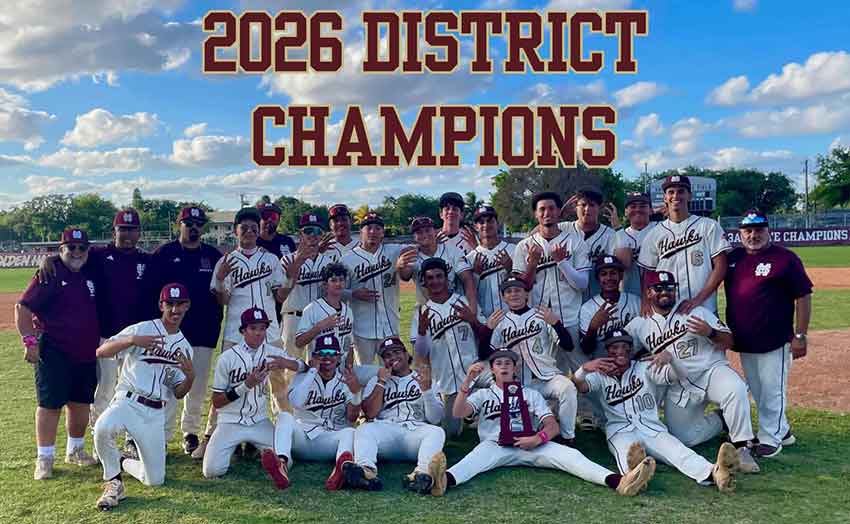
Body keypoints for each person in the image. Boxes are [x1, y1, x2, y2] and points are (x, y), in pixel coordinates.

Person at [443, 350, 655, 495]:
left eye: (508, 363)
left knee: (572, 457)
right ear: (493, 370)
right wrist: (467, 382)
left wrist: (538, 438)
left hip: (533, 445)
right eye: (499, 363)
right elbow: (458, 412)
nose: (504, 366)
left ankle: (620, 482)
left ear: (515, 368)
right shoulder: (484, 395)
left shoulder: (530, 394)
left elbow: (552, 426)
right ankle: (440, 481)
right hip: (494, 445)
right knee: (470, 463)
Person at [35, 209, 156, 454]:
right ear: (114, 231)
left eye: (132, 229)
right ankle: (103, 442)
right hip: (107, 336)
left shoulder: (146, 260)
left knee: (135, 392)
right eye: (123, 229)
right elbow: (71, 256)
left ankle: (131, 442)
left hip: (137, 340)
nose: (128, 234)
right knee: (105, 391)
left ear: (139, 233)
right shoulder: (99, 255)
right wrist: (49, 259)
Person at [572, 329, 740, 493]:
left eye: (624, 346)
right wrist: (585, 368)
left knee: (678, 452)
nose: (620, 351)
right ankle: (634, 476)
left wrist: (671, 360)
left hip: (651, 428)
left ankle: (716, 473)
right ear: (607, 350)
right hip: (620, 430)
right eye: (614, 347)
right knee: (626, 454)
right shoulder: (599, 374)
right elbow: (579, 385)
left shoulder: (645, 367)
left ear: (631, 349)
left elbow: (679, 375)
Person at [625, 270, 760, 473]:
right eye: (659, 288)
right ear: (649, 293)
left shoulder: (696, 311)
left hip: (711, 372)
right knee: (684, 438)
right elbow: (620, 349)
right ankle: (721, 420)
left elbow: (730, 341)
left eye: (670, 288)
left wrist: (711, 332)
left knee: (735, 388)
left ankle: (743, 446)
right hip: (679, 386)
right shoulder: (640, 325)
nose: (665, 292)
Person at [194, 207, 289, 459]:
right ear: (236, 231)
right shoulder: (225, 262)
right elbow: (222, 300)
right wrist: (223, 278)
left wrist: (293, 275)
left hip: (270, 332)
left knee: (278, 388)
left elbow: (280, 295)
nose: (249, 231)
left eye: (253, 227)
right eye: (244, 227)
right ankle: (211, 436)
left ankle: (281, 439)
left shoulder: (270, 260)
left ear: (259, 231)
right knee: (229, 386)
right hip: (237, 333)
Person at [92, 283, 195, 510]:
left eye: (180, 304)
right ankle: (113, 483)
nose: (175, 310)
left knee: (154, 480)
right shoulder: (142, 329)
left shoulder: (185, 347)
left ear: (187, 306)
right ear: (161, 305)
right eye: (170, 304)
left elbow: (178, 392)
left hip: (154, 413)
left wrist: (190, 378)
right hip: (127, 400)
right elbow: (101, 351)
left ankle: (122, 461)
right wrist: (131, 341)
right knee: (102, 428)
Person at [724, 210, 813, 458]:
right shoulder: (734, 258)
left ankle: (770, 438)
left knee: (773, 389)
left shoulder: (785, 258)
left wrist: (800, 335)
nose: (753, 235)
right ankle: (782, 430)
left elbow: (803, 296)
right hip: (745, 339)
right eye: (748, 231)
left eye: (759, 230)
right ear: (740, 233)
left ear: (768, 230)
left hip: (774, 339)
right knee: (758, 388)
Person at [17, 227, 100, 480]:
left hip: (86, 351)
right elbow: (23, 308)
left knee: (80, 404)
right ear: (60, 249)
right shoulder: (49, 273)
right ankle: (45, 458)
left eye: (81, 248)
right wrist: (30, 341)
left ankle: (75, 450)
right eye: (70, 248)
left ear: (88, 250)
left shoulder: (91, 271)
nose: (76, 252)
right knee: (50, 404)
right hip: (54, 351)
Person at [202, 308, 305, 485]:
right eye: (253, 328)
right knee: (211, 471)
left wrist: (284, 362)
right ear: (243, 331)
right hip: (230, 422)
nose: (258, 333)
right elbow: (217, 401)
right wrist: (245, 385)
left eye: (262, 328)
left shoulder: (272, 352)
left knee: (287, 460)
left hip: (259, 421)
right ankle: (248, 451)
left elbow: (304, 366)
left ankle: (266, 456)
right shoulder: (227, 358)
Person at [151, 206, 223, 456]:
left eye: (198, 223)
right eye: (189, 223)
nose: (194, 227)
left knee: (198, 385)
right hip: (172, 331)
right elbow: (152, 292)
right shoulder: (164, 253)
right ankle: (162, 435)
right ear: (179, 225)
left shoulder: (213, 255)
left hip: (205, 328)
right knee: (169, 384)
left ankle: (190, 432)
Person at [477, 276, 578, 444]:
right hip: (516, 386)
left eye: (518, 290)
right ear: (504, 297)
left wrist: (556, 323)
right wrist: (487, 330)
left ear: (526, 294)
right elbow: (484, 354)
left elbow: (568, 345)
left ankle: (568, 437)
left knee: (567, 387)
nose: (514, 294)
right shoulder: (500, 322)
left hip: (546, 378)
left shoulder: (541, 316)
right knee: (525, 429)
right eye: (509, 291)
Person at [344, 337, 447, 495]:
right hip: (387, 433)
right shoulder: (376, 380)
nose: (393, 358)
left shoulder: (426, 379)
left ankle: (422, 475)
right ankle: (366, 471)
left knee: (436, 432)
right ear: (383, 360)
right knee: (364, 429)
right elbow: (370, 413)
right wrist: (381, 382)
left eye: (397, 352)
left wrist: (426, 390)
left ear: (406, 355)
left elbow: (435, 419)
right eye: (387, 355)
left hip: (415, 434)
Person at [513, 191, 589, 373]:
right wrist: (531, 265)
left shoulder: (576, 242)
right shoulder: (524, 246)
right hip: (538, 320)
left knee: (582, 372)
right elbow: (520, 291)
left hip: (571, 318)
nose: (547, 213)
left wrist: (562, 262)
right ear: (536, 214)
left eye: (551, 208)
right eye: (542, 209)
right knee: (545, 373)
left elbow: (582, 284)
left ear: (558, 212)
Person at [410, 258, 487, 437]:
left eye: (439, 276)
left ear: (447, 279)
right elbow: (421, 353)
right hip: (448, 382)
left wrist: (473, 321)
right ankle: (469, 415)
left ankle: (482, 413)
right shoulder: (421, 312)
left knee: (500, 382)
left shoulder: (463, 302)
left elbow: (485, 335)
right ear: (424, 281)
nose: (435, 281)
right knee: (451, 433)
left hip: (476, 373)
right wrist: (422, 331)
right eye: (430, 278)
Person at [274, 335, 361, 491]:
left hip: (330, 441)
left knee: (350, 432)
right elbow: (296, 402)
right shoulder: (303, 378)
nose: (327, 357)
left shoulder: (345, 381)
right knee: (284, 417)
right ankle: (282, 464)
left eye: (332, 353)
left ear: (339, 357)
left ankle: (339, 471)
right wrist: (312, 371)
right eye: (321, 353)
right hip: (303, 439)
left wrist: (355, 394)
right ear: (313, 357)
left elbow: (352, 417)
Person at [638, 175, 731, 314]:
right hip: (666, 312)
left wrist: (698, 299)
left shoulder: (709, 226)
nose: (676, 195)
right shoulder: (654, 234)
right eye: (671, 192)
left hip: (704, 308)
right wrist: (646, 302)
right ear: (665, 197)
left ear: (690, 196)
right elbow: (647, 274)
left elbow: (721, 266)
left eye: (681, 191)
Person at [340, 213, 417, 365]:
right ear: (361, 231)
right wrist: (353, 294)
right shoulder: (347, 259)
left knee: (393, 372)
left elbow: (420, 247)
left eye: (378, 228)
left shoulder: (394, 251)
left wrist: (436, 239)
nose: (373, 232)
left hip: (391, 325)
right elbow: (335, 291)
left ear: (382, 233)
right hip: (362, 329)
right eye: (368, 228)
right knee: (365, 372)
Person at [276, 213, 335, 411]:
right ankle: (284, 416)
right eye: (308, 230)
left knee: (319, 367)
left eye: (316, 231)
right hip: (294, 317)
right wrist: (293, 273)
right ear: (300, 234)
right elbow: (279, 294)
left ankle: (314, 412)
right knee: (289, 369)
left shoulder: (328, 261)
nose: (312, 235)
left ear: (321, 234)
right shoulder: (286, 260)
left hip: (320, 319)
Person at [556, 187, 618, 299]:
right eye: (583, 205)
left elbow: (622, 265)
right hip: (568, 302)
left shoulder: (610, 235)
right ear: (575, 207)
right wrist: (558, 216)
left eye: (592, 205)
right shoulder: (563, 228)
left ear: (599, 208)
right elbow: (533, 236)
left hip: (599, 299)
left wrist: (618, 228)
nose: (587, 209)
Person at [406, 216, 476, 311]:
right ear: (414, 237)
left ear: (435, 231)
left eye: (428, 230)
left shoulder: (452, 251)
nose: (424, 234)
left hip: (453, 308)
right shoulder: (411, 255)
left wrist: (472, 307)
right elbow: (404, 276)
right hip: (426, 309)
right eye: (419, 232)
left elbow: (467, 279)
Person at [578, 256, 640, 358]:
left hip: (632, 359)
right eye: (603, 274)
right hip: (603, 362)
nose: (609, 278)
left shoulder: (635, 301)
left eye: (613, 273)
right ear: (598, 278)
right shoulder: (588, 308)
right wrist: (593, 327)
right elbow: (586, 349)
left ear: (621, 276)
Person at [464, 205, 516, 319]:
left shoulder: (513, 250)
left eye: (490, 221)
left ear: (497, 223)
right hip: (484, 320)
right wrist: (476, 275)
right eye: (481, 222)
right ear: (476, 227)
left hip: (512, 317)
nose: (486, 225)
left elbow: (526, 285)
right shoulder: (470, 258)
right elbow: (468, 294)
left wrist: (510, 269)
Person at [613, 192, 658, 296]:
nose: (638, 209)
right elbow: (625, 264)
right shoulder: (618, 235)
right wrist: (618, 229)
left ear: (651, 210)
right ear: (625, 212)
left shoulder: (661, 229)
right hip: (629, 295)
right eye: (632, 206)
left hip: (658, 295)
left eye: (643, 206)